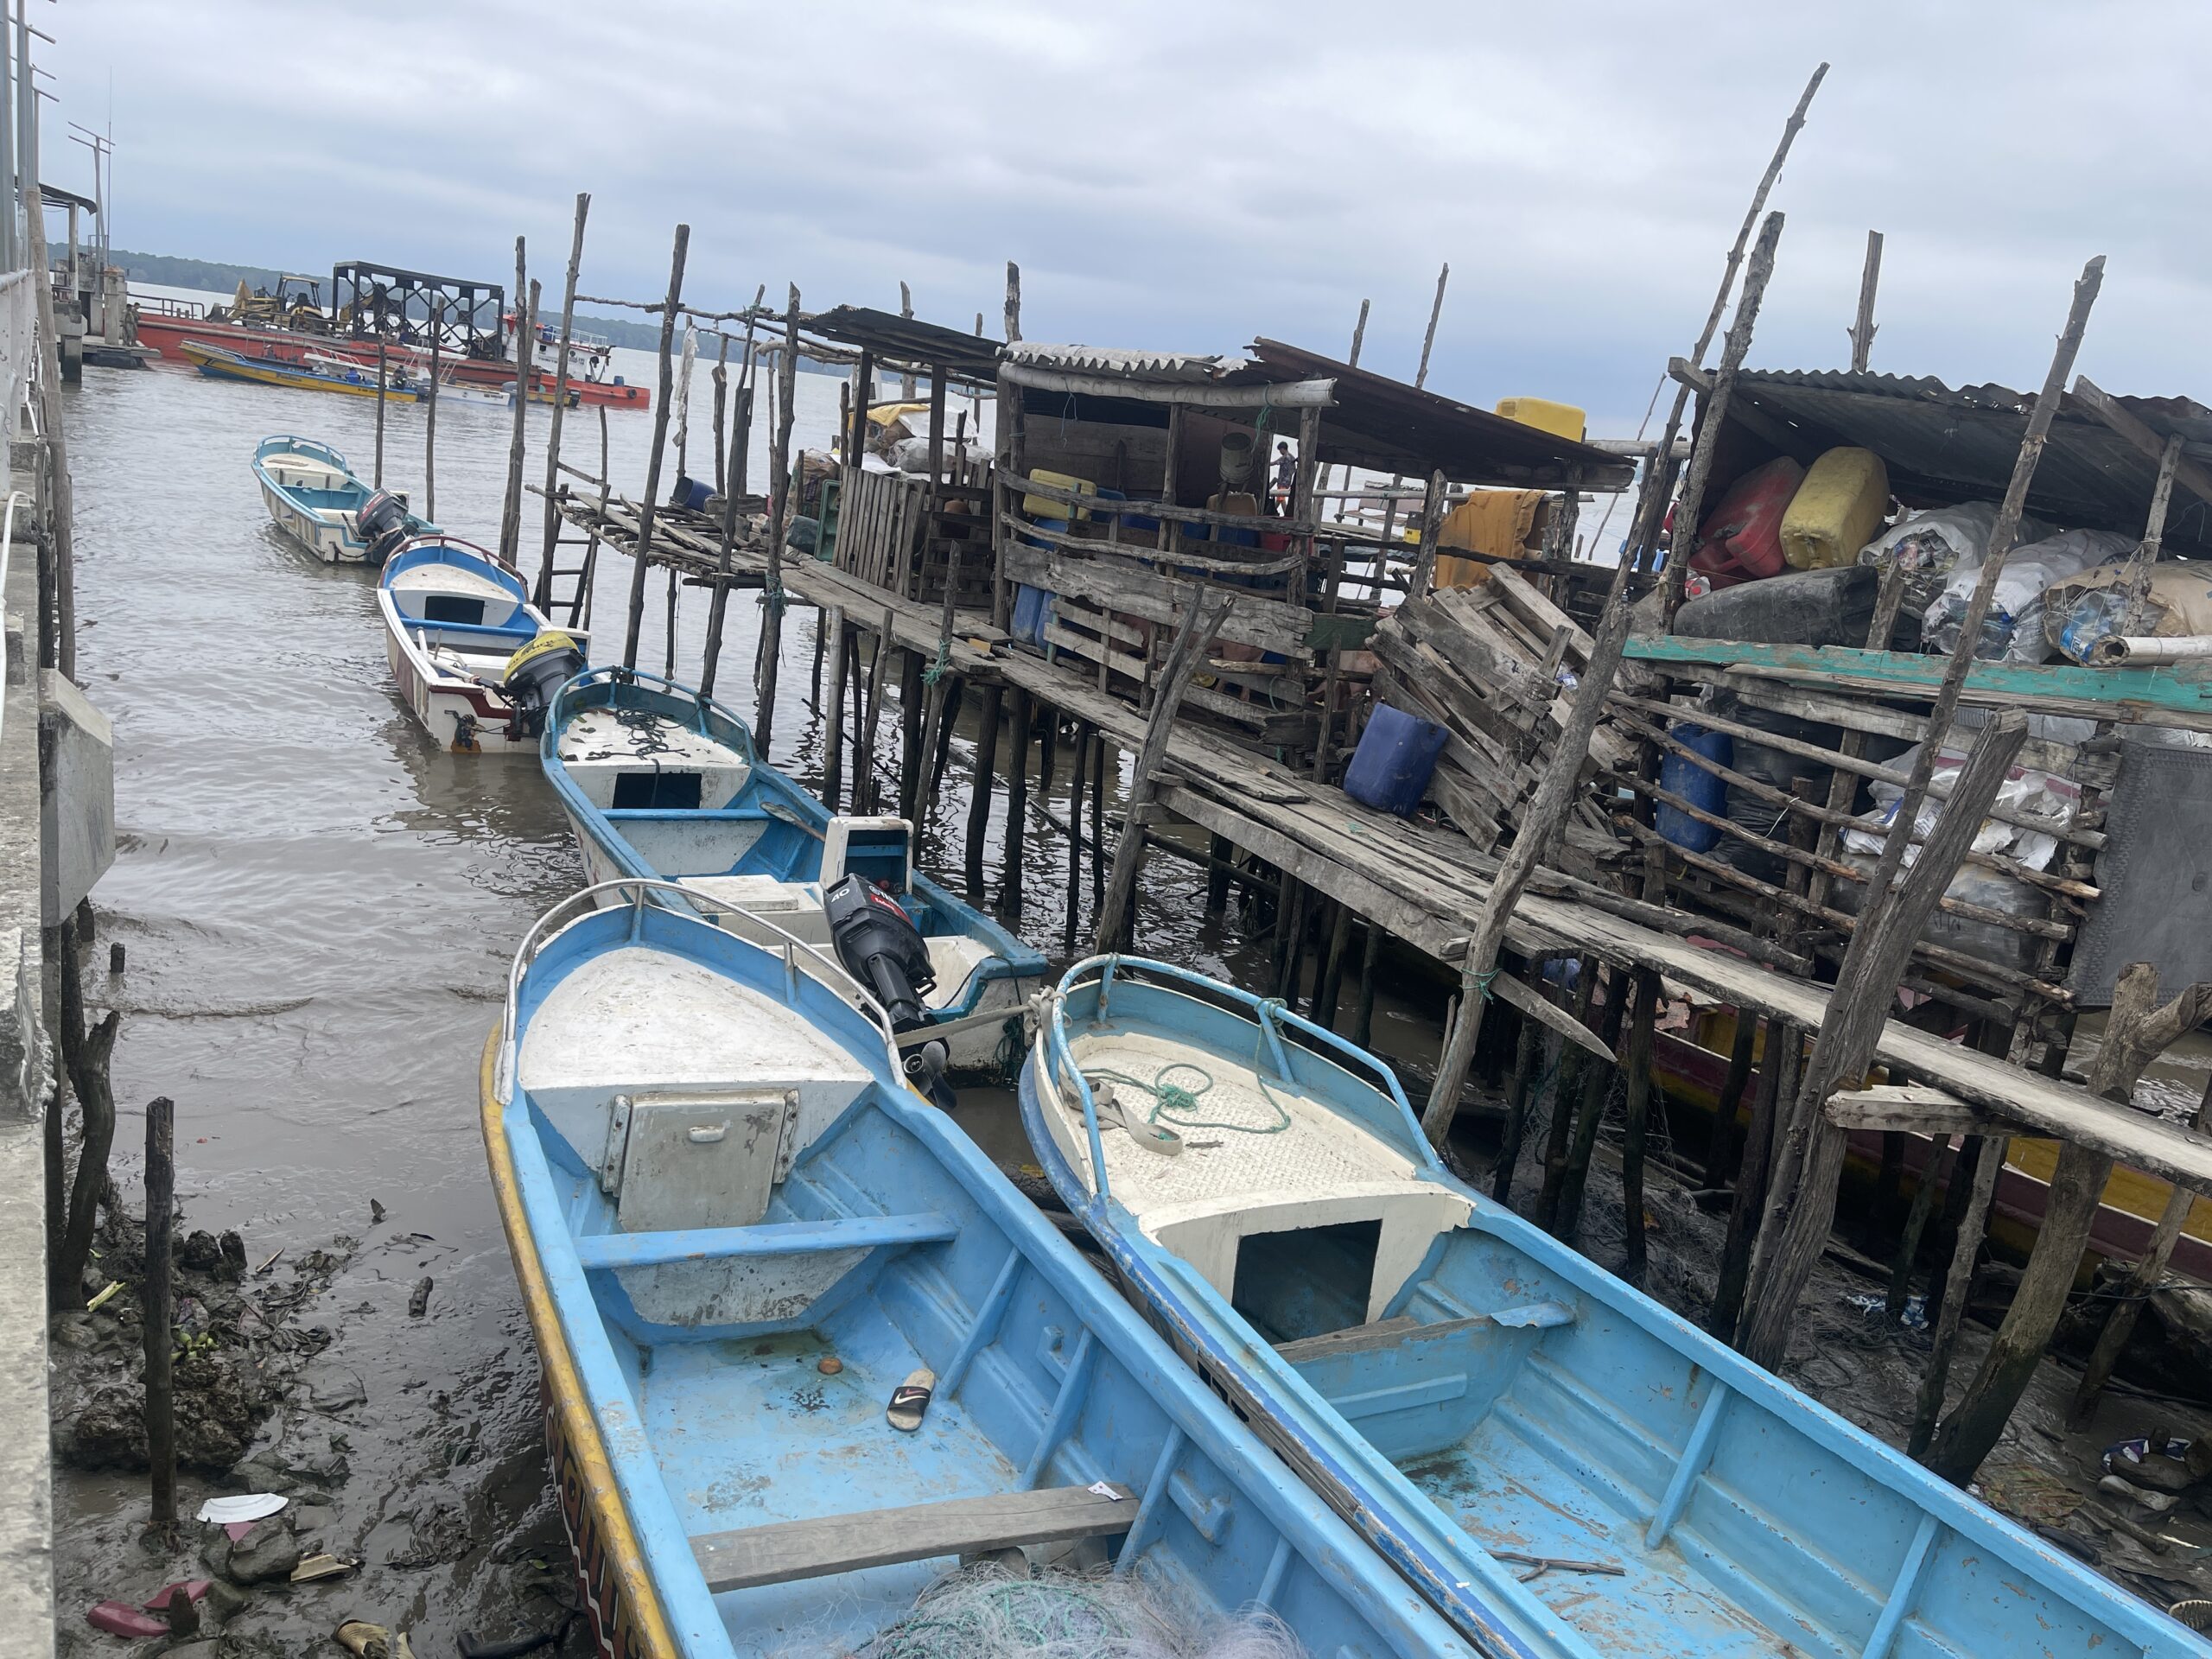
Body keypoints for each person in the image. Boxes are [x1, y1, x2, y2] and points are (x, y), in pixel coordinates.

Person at [1270, 440, 1295, 514]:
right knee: (1280, 498)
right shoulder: (1292, 457)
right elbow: (1294, 469)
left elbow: (1274, 463)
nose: (1280, 452)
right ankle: (1273, 511)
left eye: (1280, 450)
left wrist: (1267, 463)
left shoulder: (1285, 457)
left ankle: (1285, 513)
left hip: (1282, 481)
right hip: (1288, 481)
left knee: (1281, 498)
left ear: (1283, 449)